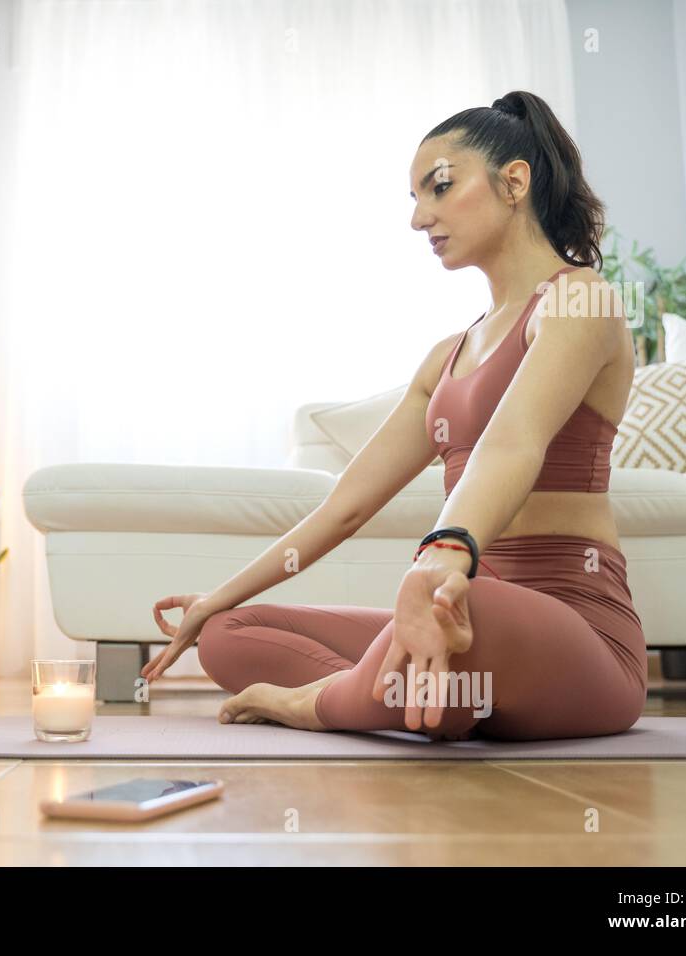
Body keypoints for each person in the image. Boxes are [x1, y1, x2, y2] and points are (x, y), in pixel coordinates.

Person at [144, 90, 646, 742]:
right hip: (457, 607)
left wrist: (444, 554)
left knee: (464, 610)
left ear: (514, 181)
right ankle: (420, 693)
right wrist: (216, 598)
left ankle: (321, 702)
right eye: (413, 198)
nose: (419, 219)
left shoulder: (579, 301)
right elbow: (344, 507)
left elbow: (511, 443)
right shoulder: (447, 358)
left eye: (438, 188)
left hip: (574, 628)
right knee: (228, 636)